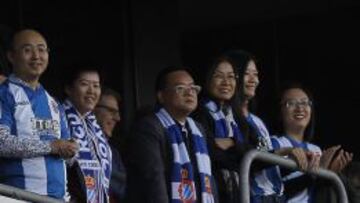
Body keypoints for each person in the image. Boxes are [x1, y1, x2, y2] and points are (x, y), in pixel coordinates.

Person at [222, 50, 310, 203]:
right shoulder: (226, 116)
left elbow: (264, 157)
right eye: (246, 74)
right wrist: (284, 152)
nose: (253, 80)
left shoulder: (258, 121)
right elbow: (248, 160)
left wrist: (304, 166)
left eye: (255, 74)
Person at [0, 29, 78, 200]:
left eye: (42, 49)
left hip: (58, 198)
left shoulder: (54, 102)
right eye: (27, 50)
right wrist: (51, 146)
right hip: (18, 196)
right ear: (11, 56)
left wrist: (71, 150)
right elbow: (1, 143)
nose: (36, 56)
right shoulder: (4, 94)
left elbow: (68, 155)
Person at [126, 66, 217, 203]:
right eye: (180, 88)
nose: (189, 93)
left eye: (193, 88)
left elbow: (209, 179)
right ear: (161, 96)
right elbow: (154, 182)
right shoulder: (149, 127)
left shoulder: (198, 129)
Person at [271, 82, 353, 202]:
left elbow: (315, 192)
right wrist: (315, 173)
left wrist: (329, 174)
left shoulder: (315, 149)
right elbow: (275, 192)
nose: (300, 108)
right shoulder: (275, 144)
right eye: (291, 103)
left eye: (305, 102)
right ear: (279, 112)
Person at [63, 67, 112, 203]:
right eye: (84, 84)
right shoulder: (58, 116)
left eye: (96, 86)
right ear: (68, 88)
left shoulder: (94, 126)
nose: (91, 91)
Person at [94, 87, 126, 202]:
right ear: (93, 108)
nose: (117, 118)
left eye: (117, 113)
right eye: (111, 111)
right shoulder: (78, 145)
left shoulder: (113, 152)